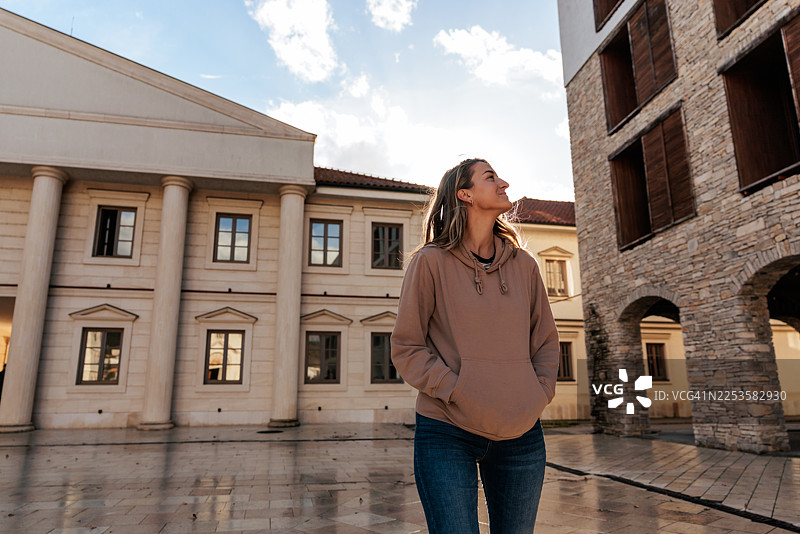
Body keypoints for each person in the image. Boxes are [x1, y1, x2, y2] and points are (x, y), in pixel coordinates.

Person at [391, 158, 559, 534]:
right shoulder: (429, 263)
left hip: (521, 432)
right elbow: (407, 346)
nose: (503, 183)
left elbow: (546, 340)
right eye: (490, 177)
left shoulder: (524, 266)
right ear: (464, 194)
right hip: (447, 430)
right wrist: (457, 390)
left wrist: (539, 392)